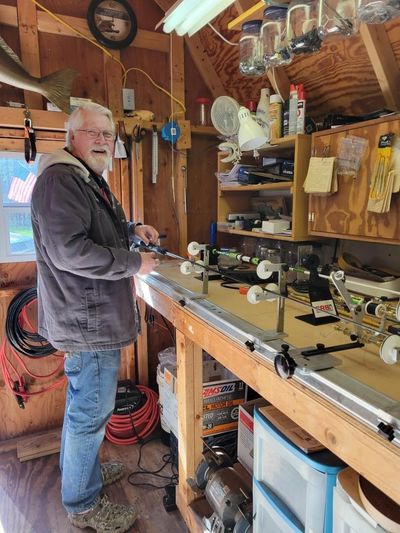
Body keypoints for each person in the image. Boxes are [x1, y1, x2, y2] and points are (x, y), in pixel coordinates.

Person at [31, 102, 159, 532]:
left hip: (90, 318)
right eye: (94, 133)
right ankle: (83, 505)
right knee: (89, 414)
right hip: (88, 322)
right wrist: (132, 263)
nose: (104, 140)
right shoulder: (61, 181)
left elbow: (95, 230)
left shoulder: (83, 176)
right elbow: (70, 251)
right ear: (72, 137)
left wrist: (132, 230)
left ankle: (79, 476)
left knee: (83, 408)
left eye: (109, 134)